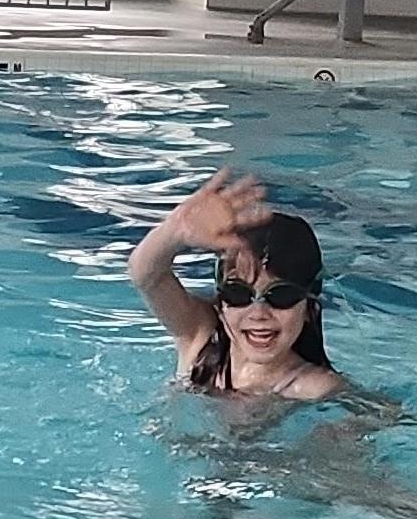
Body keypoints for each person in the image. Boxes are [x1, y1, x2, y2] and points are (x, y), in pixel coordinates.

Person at [128, 168, 346, 405]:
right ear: (221, 301)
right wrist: (175, 231)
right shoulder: (200, 338)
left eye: (280, 296)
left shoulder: (315, 388)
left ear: (308, 305)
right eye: (238, 293)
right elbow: (146, 275)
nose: (258, 313)